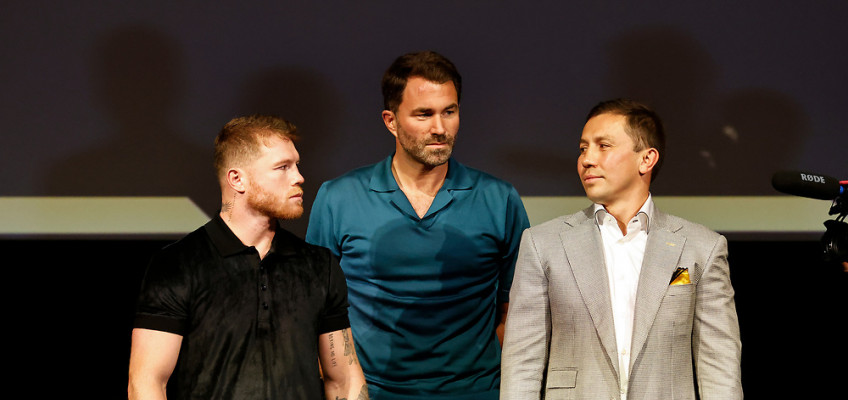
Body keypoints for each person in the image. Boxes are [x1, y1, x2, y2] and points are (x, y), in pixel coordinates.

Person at [306, 51, 530, 400]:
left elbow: (516, 312)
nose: (439, 128)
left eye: (449, 112)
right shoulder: (338, 198)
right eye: (424, 114)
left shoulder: (499, 199)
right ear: (391, 121)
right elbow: (315, 313)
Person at [501, 99, 742, 399]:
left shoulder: (701, 248)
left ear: (646, 159)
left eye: (603, 146)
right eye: (583, 148)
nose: (587, 159)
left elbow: (719, 364)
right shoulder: (543, 244)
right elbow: (522, 363)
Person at [127, 115, 368, 400]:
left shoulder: (319, 266)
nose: (299, 177)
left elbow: (344, 381)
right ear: (237, 179)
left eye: (296, 165)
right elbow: (147, 383)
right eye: (283, 167)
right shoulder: (177, 264)